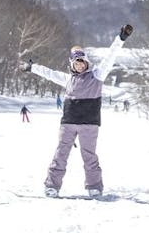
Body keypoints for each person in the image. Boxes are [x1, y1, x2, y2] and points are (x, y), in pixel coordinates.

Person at [20, 24, 133, 198]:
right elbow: (49, 73)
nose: (80, 65)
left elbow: (110, 56)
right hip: (69, 122)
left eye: (82, 62)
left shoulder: (97, 75)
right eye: (76, 62)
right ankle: (52, 185)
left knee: (89, 155)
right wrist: (32, 67)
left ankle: (94, 186)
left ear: (87, 62)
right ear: (72, 64)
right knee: (61, 153)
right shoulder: (68, 79)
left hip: (89, 123)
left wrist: (120, 39)